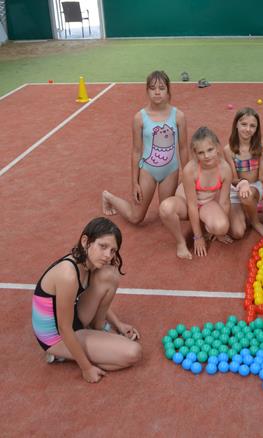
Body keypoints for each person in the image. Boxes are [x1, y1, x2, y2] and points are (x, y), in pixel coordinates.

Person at [32, 217, 142, 383]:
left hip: (73, 318)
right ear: (85, 241)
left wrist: (118, 323)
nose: (108, 255)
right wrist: (86, 368)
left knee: (109, 274)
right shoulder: (68, 275)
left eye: (113, 250)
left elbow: (92, 298)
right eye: (103, 246)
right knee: (133, 353)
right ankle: (62, 353)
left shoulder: (88, 263)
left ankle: (96, 333)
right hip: (57, 336)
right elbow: (64, 328)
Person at [102, 71, 188, 224]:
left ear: (168, 90)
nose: (157, 92)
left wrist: (188, 176)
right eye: (152, 88)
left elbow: (183, 148)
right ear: (147, 91)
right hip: (148, 171)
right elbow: (136, 151)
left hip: (170, 171)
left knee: (167, 215)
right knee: (136, 218)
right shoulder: (139, 118)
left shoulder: (178, 116)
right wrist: (134, 183)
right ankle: (108, 197)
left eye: (161, 88)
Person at [158, 127, 232, 259]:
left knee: (222, 227)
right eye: (201, 152)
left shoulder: (225, 169)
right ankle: (181, 242)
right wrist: (198, 237)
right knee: (165, 208)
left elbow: (224, 202)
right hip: (186, 203)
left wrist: (219, 232)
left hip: (206, 204)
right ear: (195, 154)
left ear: (217, 147)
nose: (206, 156)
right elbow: (192, 205)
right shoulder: (190, 170)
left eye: (210, 150)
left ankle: (205, 223)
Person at [223, 107, 263, 239]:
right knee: (237, 233)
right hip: (236, 188)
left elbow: (262, 176)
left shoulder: (262, 146)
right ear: (236, 125)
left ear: (257, 128)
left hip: (254, 187)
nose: (248, 129)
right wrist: (243, 183)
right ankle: (243, 210)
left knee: (246, 196)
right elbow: (233, 179)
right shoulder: (228, 150)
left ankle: (255, 222)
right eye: (244, 124)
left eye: (252, 126)